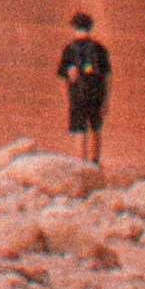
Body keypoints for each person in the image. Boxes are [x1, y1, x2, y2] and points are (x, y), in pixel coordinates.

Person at [57, 9, 111, 183]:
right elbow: (108, 76)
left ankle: (81, 168)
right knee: (96, 128)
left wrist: (68, 97)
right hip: (97, 94)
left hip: (77, 95)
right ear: (91, 27)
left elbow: (63, 76)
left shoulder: (69, 50)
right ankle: (95, 164)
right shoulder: (100, 49)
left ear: (74, 27)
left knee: (80, 129)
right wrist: (106, 100)